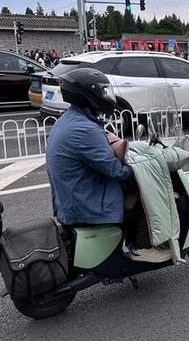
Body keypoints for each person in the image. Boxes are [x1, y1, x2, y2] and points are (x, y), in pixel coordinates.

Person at [45, 68, 170, 263]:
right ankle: (141, 247)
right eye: (102, 92)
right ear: (87, 95)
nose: (106, 96)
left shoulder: (72, 119)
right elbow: (116, 171)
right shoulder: (84, 129)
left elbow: (98, 150)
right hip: (83, 201)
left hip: (73, 194)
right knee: (143, 196)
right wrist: (140, 170)